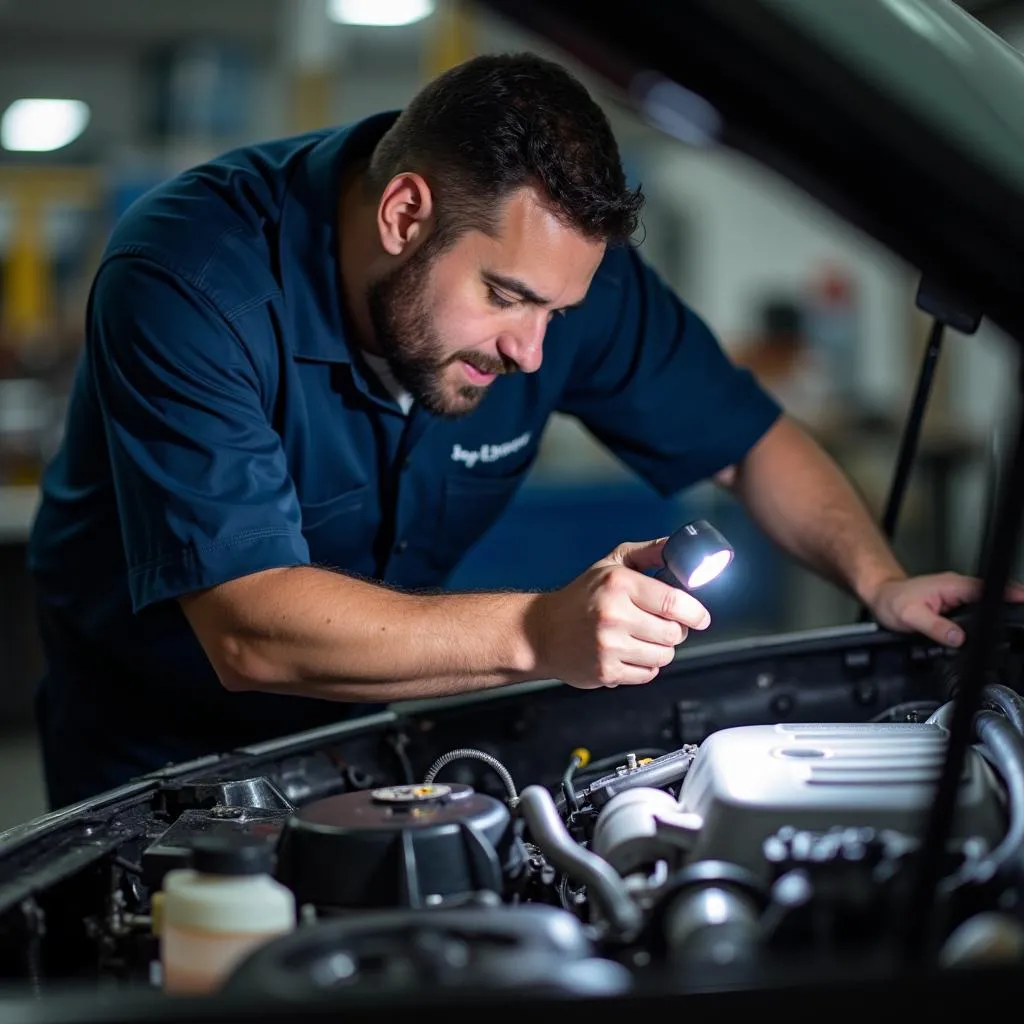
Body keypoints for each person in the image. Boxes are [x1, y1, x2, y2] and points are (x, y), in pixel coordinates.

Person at [26, 52, 1014, 811]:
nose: (534, 353)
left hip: (380, 722)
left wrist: (879, 577)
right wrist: (539, 629)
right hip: (154, 754)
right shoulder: (192, 276)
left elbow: (749, 438)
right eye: (505, 298)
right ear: (406, 213)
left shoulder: (567, 282)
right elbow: (249, 630)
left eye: (558, 311)